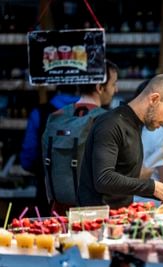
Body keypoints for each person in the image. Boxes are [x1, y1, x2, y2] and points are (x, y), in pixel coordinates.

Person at [77, 74, 163, 208]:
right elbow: (104, 179)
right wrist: (153, 187)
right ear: (154, 99)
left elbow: (125, 179)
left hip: (119, 217)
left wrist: (161, 190)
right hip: (96, 220)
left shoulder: (135, 125)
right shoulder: (111, 123)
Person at [45, 60, 119, 215]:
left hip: (58, 208)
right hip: (92, 212)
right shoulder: (105, 120)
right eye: (113, 85)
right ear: (100, 88)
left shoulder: (57, 116)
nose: (116, 90)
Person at [20, 84, 79, 215]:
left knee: (47, 232)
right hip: (84, 199)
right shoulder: (91, 114)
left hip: (47, 196)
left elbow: (27, 160)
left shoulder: (39, 114)